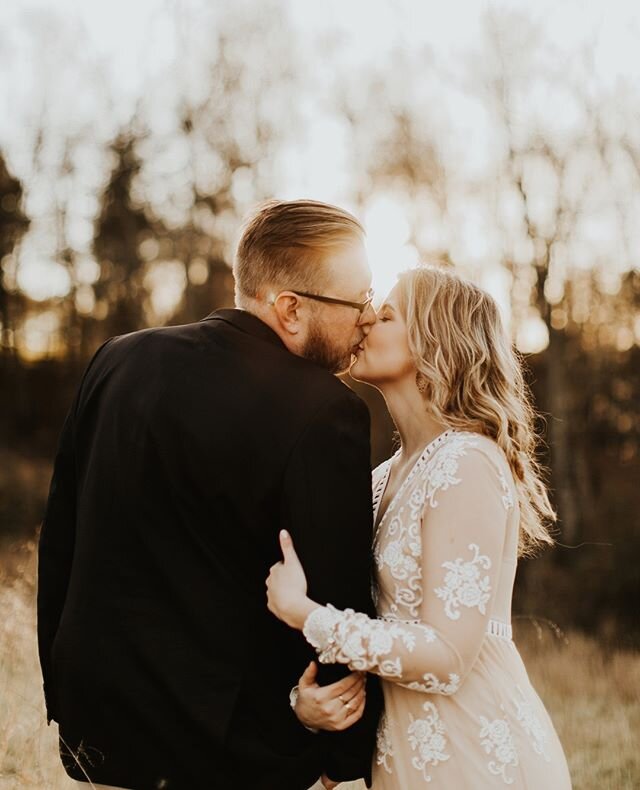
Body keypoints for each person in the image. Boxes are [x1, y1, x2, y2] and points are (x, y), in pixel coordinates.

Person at [37, 199, 383, 790]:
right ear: (291, 309)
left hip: (99, 733)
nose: (368, 319)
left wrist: (65, 694)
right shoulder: (327, 412)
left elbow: (60, 542)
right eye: (358, 302)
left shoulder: (117, 361)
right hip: (233, 751)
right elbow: (336, 593)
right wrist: (339, 762)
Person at [267, 266, 573, 789]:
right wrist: (306, 700)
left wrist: (306, 616)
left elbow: (448, 657)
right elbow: (372, 623)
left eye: (385, 314)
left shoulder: (469, 462)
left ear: (437, 341)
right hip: (399, 762)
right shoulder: (378, 480)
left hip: (475, 755)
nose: (364, 321)